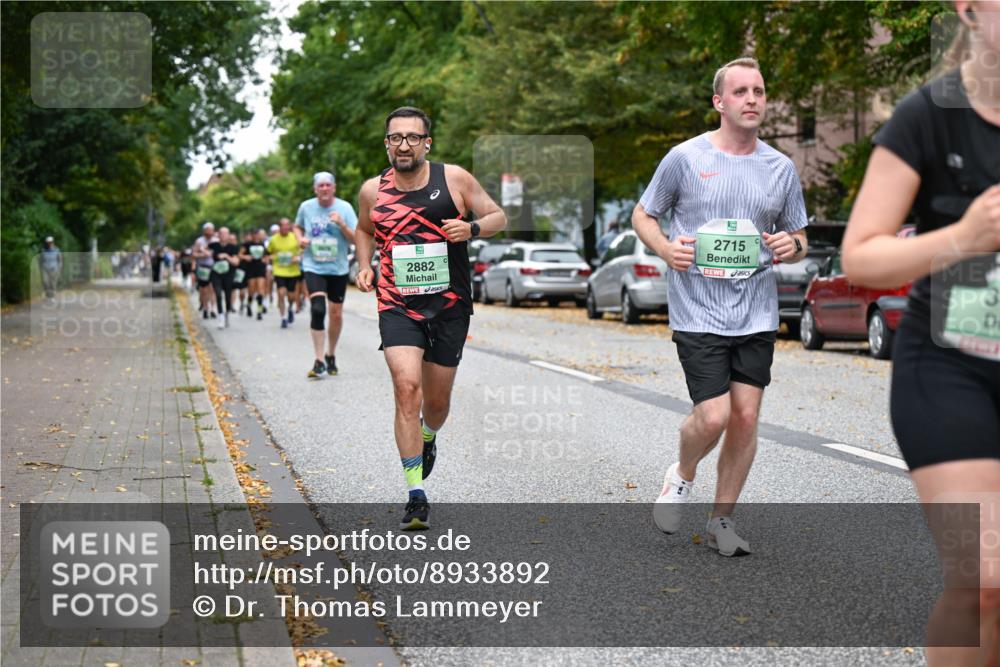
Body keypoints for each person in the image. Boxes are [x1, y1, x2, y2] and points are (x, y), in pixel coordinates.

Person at [842, 3, 999, 663]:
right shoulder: (928, 115)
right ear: (970, 10)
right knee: (984, 578)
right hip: (949, 366)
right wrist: (961, 238)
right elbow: (860, 257)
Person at [633, 57, 809, 556]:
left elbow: (799, 236)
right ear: (719, 102)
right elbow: (643, 213)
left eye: (759, 90)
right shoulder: (685, 159)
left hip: (756, 310)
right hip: (698, 310)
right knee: (713, 417)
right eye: (741, 92)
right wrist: (666, 248)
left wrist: (789, 247)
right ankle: (682, 473)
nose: (752, 99)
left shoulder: (780, 167)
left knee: (747, 418)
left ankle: (721, 521)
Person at [355, 106, 507, 530]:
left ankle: (428, 436)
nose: (403, 144)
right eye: (395, 138)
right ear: (387, 144)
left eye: (412, 137)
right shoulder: (373, 191)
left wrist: (471, 230)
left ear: (427, 143)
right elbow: (364, 230)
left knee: (436, 406)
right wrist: (365, 265)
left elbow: (498, 216)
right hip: (397, 303)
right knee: (407, 389)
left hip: (450, 305)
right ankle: (415, 494)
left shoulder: (453, 179)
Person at [295, 172, 358, 378]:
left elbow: (356, 239)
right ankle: (319, 359)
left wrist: (341, 224)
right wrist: (300, 239)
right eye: (320, 185)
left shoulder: (345, 208)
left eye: (327, 185)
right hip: (314, 265)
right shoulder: (306, 207)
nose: (324, 189)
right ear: (315, 189)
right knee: (318, 309)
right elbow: (298, 227)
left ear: (334, 187)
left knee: (336, 313)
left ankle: (331, 354)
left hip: (338, 268)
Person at [267, 218, 303, 329]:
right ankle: (283, 318)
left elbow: (302, 251)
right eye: (283, 225)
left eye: (287, 225)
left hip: (293, 271)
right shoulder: (273, 239)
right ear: (279, 227)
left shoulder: (295, 237)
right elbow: (268, 253)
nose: (285, 227)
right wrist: (271, 258)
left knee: (291, 296)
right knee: (281, 293)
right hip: (279, 270)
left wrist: (298, 258)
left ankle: (290, 308)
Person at [208, 227, 240, 330]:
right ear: (218, 235)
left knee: (227, 296)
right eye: (221, 233)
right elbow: (201, 249)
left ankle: (226, 313)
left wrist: (226, 256)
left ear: (228, 235)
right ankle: (220, 316)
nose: (223, 236)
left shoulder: (233, 247)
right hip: (216, 273)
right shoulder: (214, 245)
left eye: (225, 234)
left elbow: (236, 262)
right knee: (217, 293)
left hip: (228, 274)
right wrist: (205, 254)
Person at [239, 228, 269, 320]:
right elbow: (239, 254)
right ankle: (249, 304)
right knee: (251, 290)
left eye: (258, 234)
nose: (256, 236)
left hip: (260, 268)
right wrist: (245, 257)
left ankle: (259, 311)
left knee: (260, 289)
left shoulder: (263, 244)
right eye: (254, 234)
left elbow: (267, 255)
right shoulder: (247, 244)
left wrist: (266, 259)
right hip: (250, 268)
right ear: (252, 235)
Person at [193, 222, 218, 318]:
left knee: (213, 288)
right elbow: (194, 254)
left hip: (214, 266)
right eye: (207, 230)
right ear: (204, 231)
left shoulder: (216, 240)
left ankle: (213, 308)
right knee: (204, 289)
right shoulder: (199, 241)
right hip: (203, 267)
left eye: (211, 230)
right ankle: (205, 307)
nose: (209, 232)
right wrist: (202, 255)